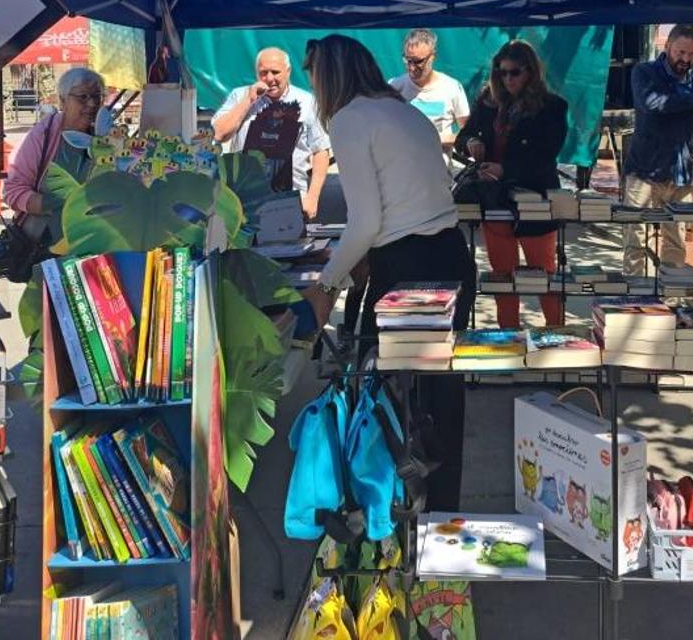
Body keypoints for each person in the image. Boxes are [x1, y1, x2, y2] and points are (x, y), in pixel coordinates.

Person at [300, 34, 475, 512]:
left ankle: (390, 514)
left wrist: (325, 286)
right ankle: (440, 514)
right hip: (449, 255)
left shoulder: (351, 120)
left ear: (329, 76)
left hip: (408, 267)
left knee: (394, 400)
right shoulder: (402, 110)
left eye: (314, 76)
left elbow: (365, 222)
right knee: (440, 398)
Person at [456, 40, 567, 329]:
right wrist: (472, 142)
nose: (507, 79)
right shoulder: (488, 101)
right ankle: (508, 339)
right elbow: (462, 135)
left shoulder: (552, 107)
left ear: (530, 72)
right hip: (496, 200)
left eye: (514, 72)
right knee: (503, 278)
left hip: (534, 201)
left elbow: (546, 155)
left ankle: (558, 336)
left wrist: (505, 168)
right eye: (502, 72)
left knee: (544, 276)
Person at [621, 23, 693, 275]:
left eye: (691, 55)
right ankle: (634, 297)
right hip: (644, 171)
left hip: (681, 174)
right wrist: (691, 100)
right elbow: (651, 104)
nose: (685, 60)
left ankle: (672, 298)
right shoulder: (644, 72)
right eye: (680, 53)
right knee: (636, 240)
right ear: (667, 47)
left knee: (675, 241)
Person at [211, 47, 331, 219]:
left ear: (288, 71)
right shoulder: (240, 96)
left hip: (290, 198)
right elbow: (219, 134)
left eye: (275, 72)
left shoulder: (308, 102)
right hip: (244, 199)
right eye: (263, 73)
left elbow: (321, 151)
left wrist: (312, 197)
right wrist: (249, 100)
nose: (269, 79)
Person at [4, 67, 104, 244]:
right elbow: (13, 190)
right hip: (43, 240)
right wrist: (55, 204)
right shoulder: (44, 134)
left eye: (97, 96)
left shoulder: (105, 137)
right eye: (83, 97)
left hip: (91, 237)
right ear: (63, 101)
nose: (92, 104)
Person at [388, 28, 470, 149]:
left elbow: (467, 134)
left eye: (418, 61)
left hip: (438, 166)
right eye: (407, 60)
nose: (412, 67)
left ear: (432, 57)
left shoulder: (452, 88)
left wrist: (436, 138)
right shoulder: (393, 87)